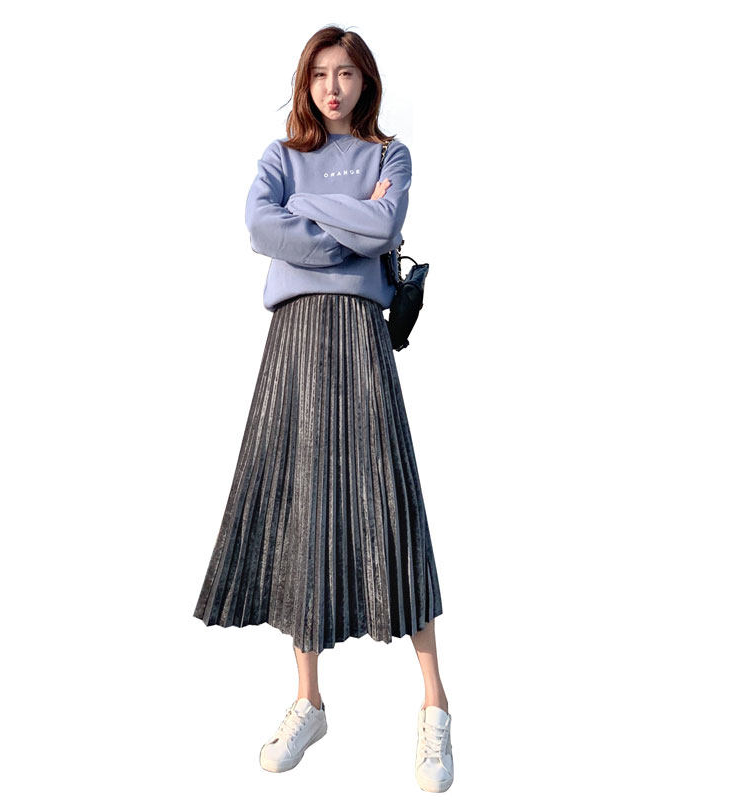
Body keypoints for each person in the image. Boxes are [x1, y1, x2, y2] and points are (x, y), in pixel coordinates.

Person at [192, 25, 453, 792]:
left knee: (388, 502)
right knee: (299, 506)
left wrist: (306, 216)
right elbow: (259, 226)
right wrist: (343, 216)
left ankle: (435, 704)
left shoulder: (389, 156)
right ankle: (309, 699)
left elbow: (384, 228)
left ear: (366, 81)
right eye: (319, 74)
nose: (332, 87)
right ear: (305, 83)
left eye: (346, 73)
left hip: (361, 336)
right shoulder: (282, 157)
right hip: (295, 338)